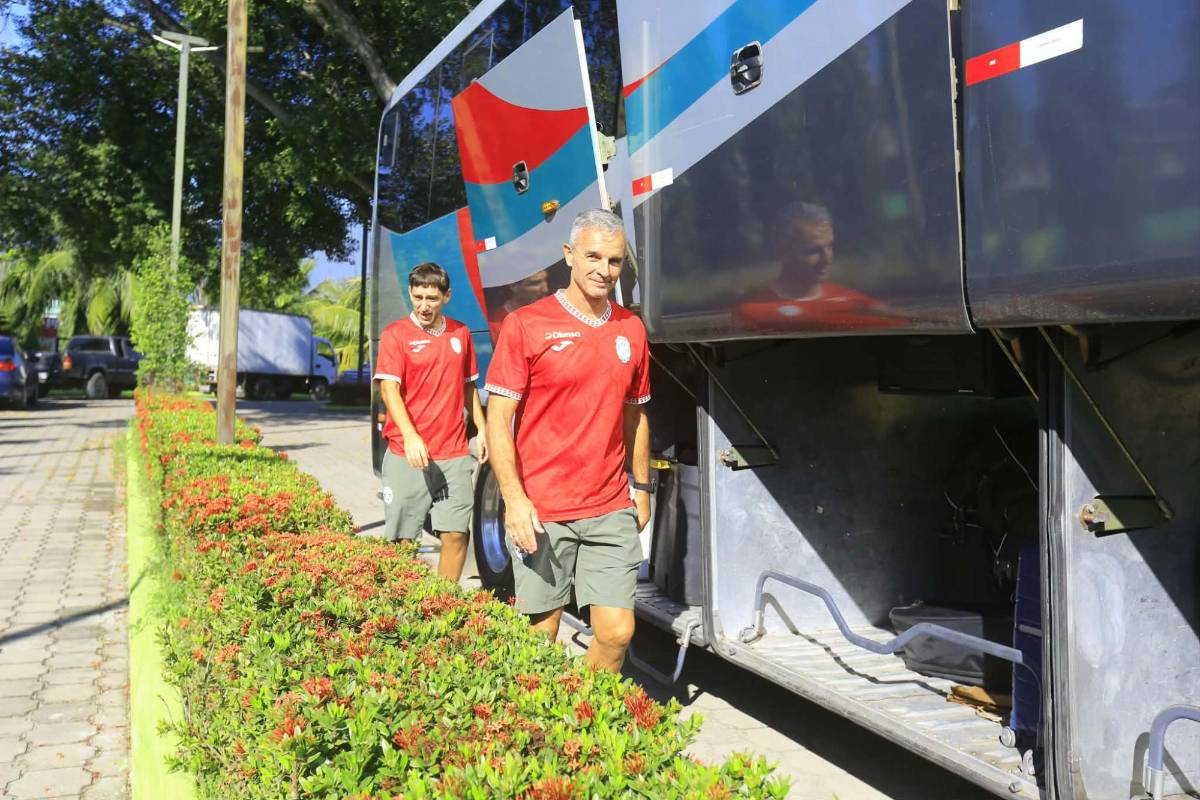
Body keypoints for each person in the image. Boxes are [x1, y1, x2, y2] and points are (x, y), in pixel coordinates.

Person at [484, 208, 651, 672]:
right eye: (593, 256)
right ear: (569, 255)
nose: (604, 270)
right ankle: (540, 734)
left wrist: (642, 488)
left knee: (617, 633)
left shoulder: (631, 329)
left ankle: (585, 724)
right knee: (540, 637)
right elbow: (500, 419)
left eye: (615, 261)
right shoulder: (527, 324)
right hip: (544, 510)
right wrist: (514, 501)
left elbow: (636, 414)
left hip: (609, 503)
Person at [373, 262, 487, 581]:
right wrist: (410, 436)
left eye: (432, 298)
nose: (424, 306)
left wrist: (482, 428)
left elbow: (468, 386)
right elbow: (388, 389)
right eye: (419, 296)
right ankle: (402, 608)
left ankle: (443, 608)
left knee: (455, 535)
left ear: (446, 297)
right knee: (401, 543)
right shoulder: (395, 335)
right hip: (405, 454)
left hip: (452, 454)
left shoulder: (460, 334)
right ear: (411, 292)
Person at [732, 202, 903, 332]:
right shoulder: (753, 313)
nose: (827, 259)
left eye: (829, 247)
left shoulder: (854, 300)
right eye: (813, 251)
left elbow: (905, 325)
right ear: (783, 252)